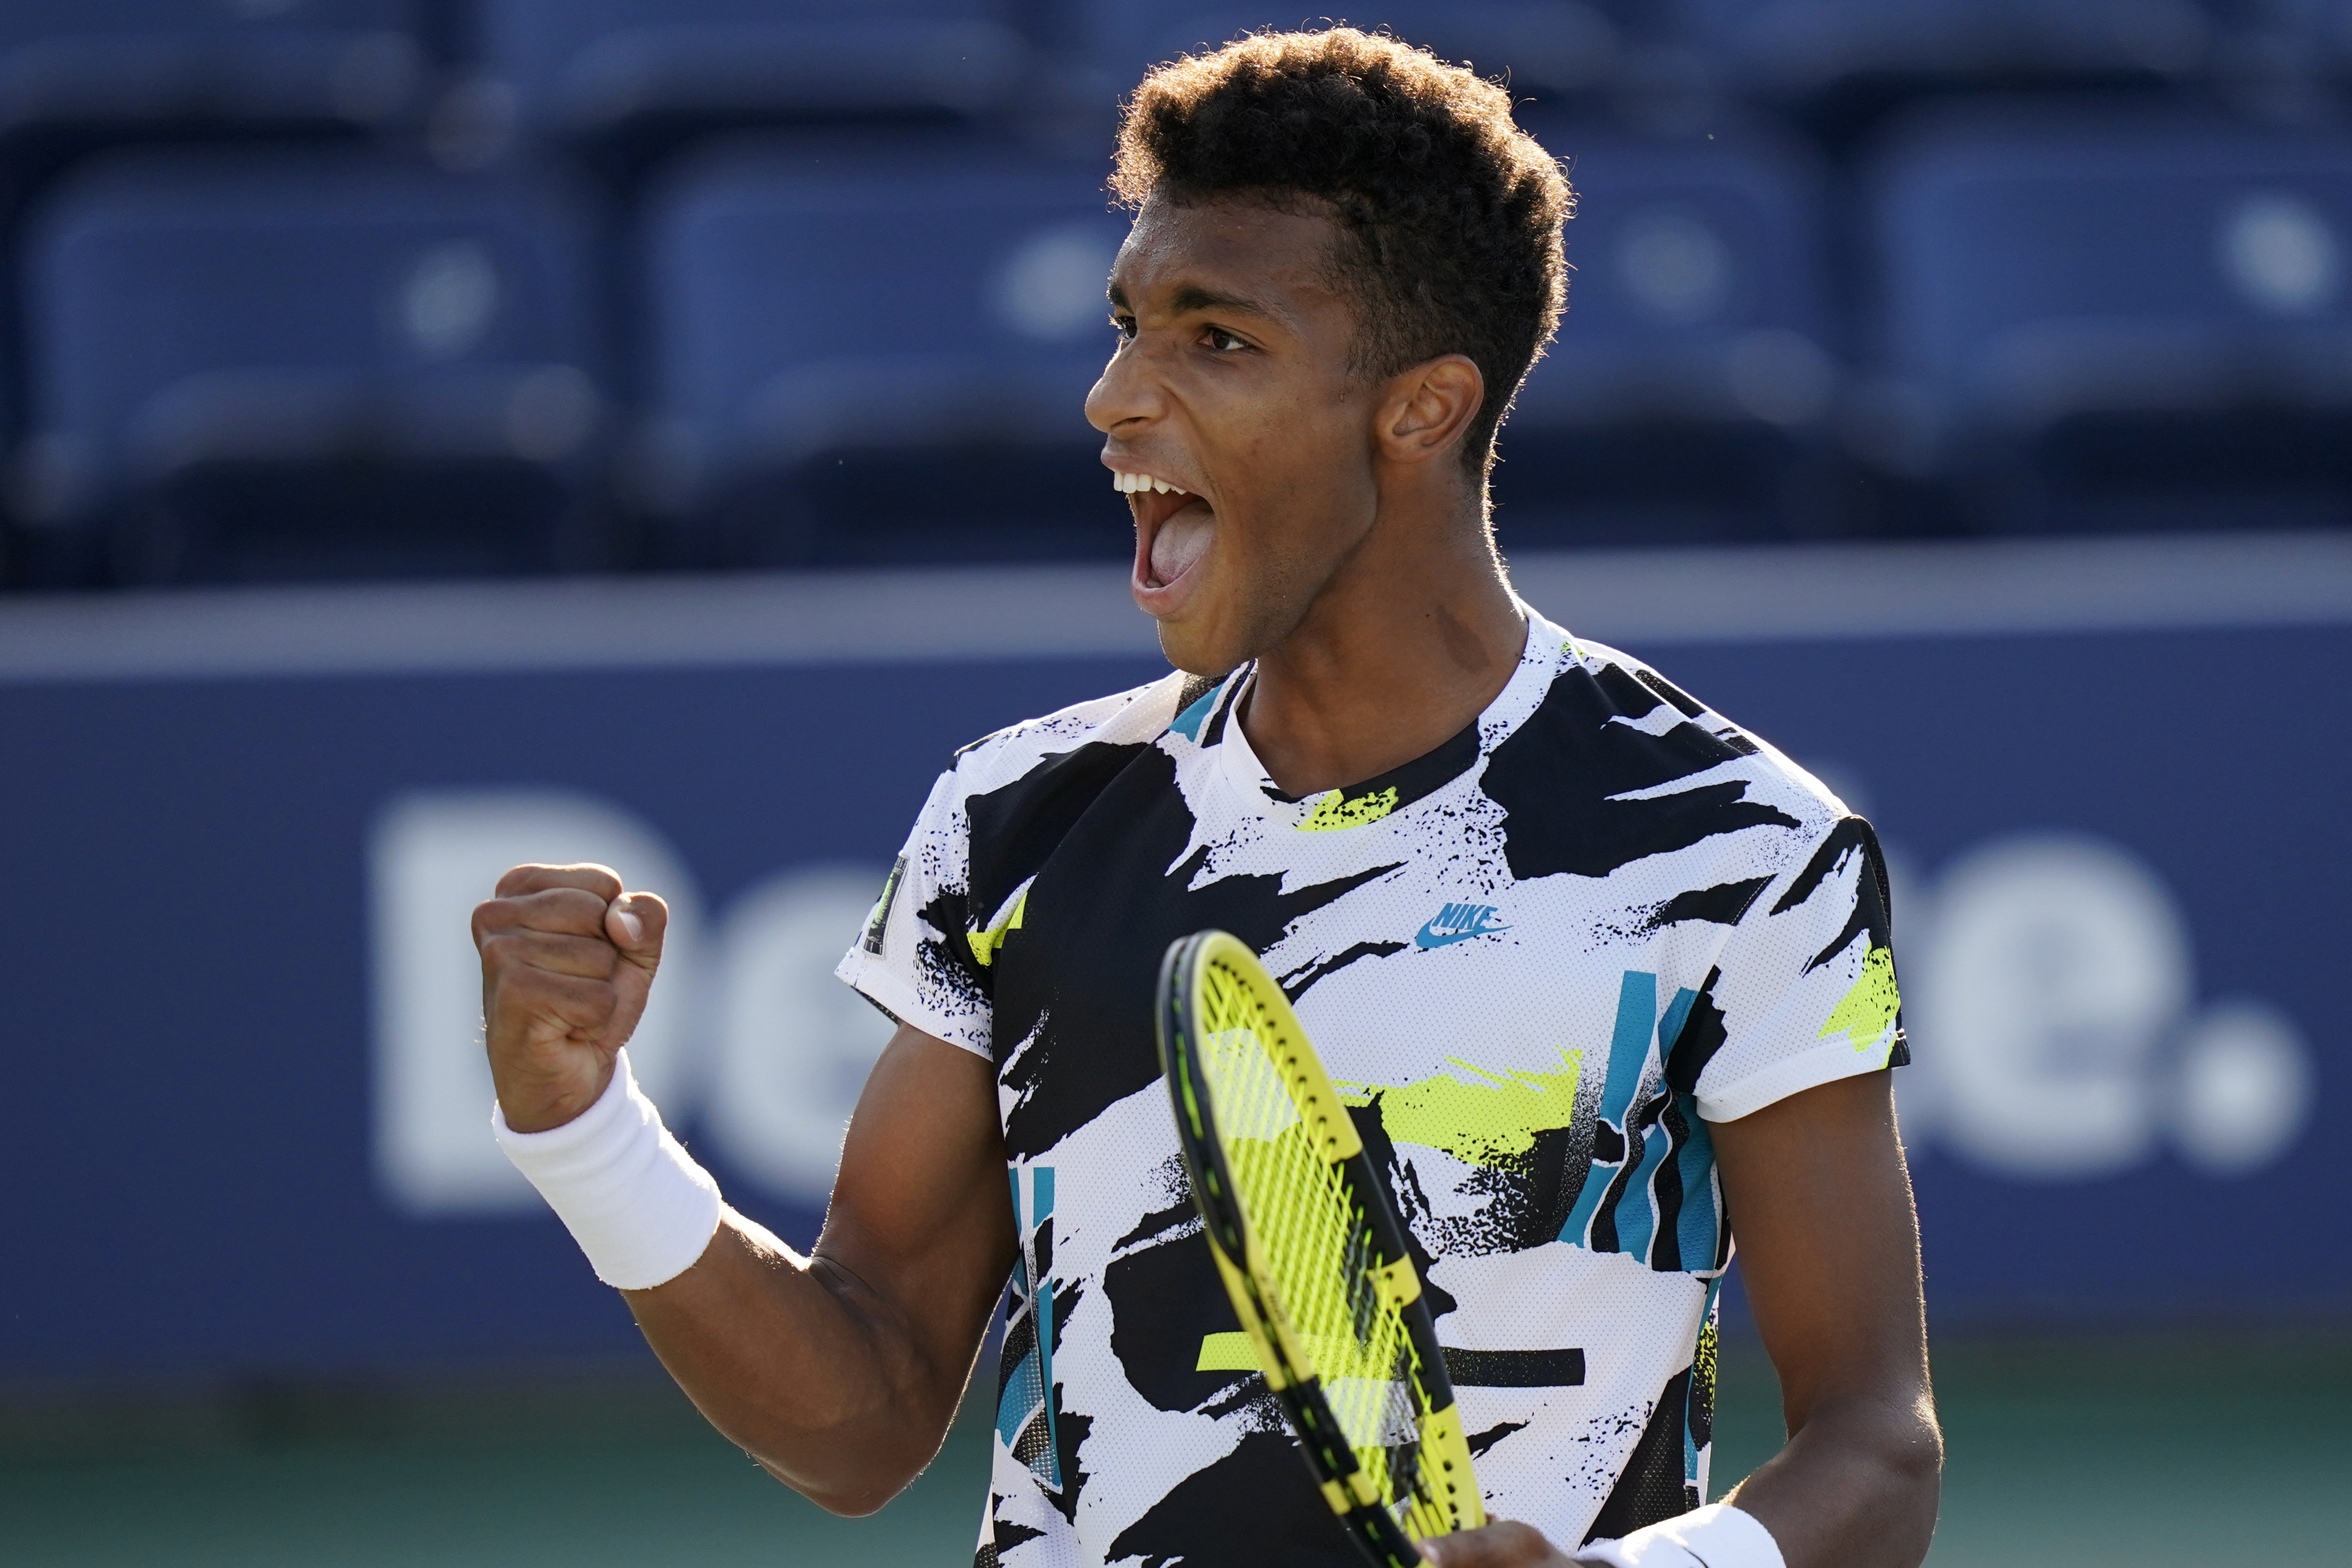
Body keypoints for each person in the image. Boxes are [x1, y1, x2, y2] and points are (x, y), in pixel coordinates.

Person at [472, 28, 1940, 1568]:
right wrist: (582, 1130)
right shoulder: (1016, 817)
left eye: (1215, 339)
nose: (1113, 398)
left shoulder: (1744, 844)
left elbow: (1877, 1442)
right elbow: (864, 1416)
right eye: (1124, 326)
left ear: (1423, 409)